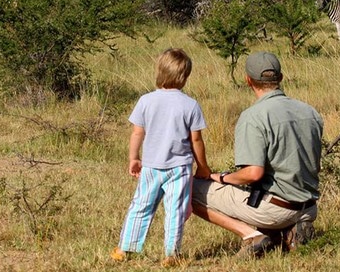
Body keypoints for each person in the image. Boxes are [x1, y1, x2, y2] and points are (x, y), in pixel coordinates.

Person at [192, 51, 323, 258]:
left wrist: (223, 178)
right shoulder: (310, 111)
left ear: (248, 80)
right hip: (309, 207)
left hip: (276, 209)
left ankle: (252, 235)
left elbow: (253, 173)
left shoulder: (253, 116)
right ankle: (290, 231)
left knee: (188, 189)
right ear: (280, 78)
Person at [111, 48, 211, 268]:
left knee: (141, 206)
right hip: (180, 168)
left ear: (159, 71)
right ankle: (171, 253)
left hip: (151, 166)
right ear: (184, 76)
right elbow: (196, 140)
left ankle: (124, 248)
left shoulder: (146, 100)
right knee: (176, 210)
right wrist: (203, 167)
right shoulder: (190, 104)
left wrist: (133, 158)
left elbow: (137, 133)